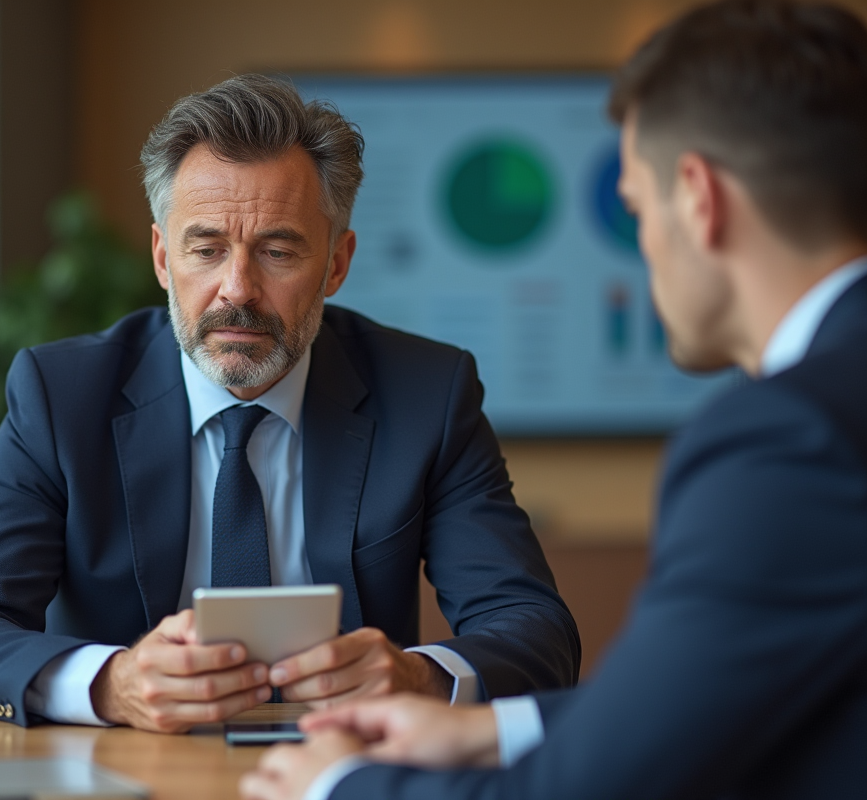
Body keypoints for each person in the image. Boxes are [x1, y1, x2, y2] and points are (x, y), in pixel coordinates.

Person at [239, 2, 867, 798]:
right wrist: (483, 728)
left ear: (700, 200)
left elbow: (604, 783)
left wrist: (339, 786)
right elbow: (688, 709)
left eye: (635, 209)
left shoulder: (789, 439)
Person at [0, 74, 580, 733]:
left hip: (343, 770)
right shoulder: (60, 396)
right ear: (162, 258)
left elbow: (535, 631)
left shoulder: (426, 393)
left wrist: (418, 677)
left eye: (278, 250)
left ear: (336, 264)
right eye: (206, 249)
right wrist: (110, 685)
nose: (238, 289)